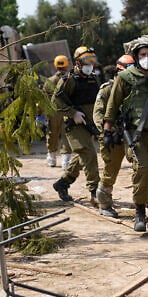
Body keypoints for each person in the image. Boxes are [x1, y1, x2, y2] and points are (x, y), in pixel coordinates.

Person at [103, 35, 148, 232]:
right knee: (143, 169)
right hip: (134, 134)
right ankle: (140, 213)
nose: (146, 57)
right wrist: (107, 131)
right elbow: (112, 106)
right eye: (143, 54)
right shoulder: (125, 77)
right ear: (136, 56)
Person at [52, 46, 101, 203]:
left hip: (89, 123)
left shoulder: (94, 79)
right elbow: (56, 100)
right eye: (87, 61)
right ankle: (95, 192)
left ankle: (63, 183)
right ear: (77, 63)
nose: (90, 64)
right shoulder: (69, 80)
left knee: (82, 155)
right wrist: (73, 113)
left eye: (92, 61)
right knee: (89, 154)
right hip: (75, 125)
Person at [93, 53, 135, 218]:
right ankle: (104, 203)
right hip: (114, 136)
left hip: (132, 135)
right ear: (119, 71)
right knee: (111, 170)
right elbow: (98, 114)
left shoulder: (136, 88)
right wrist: (107, 131)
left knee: (141, 166)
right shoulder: (107, 89)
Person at [44, 55, 72, 169]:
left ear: (55, 65)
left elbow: (44, 98)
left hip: (54, 111)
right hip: (67, 111)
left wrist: (40, 113)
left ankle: (52, 158)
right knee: (67, 135)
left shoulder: (50, 81)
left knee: (52, 134)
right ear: (67, 64)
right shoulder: (71, 79)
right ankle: (65, 161)